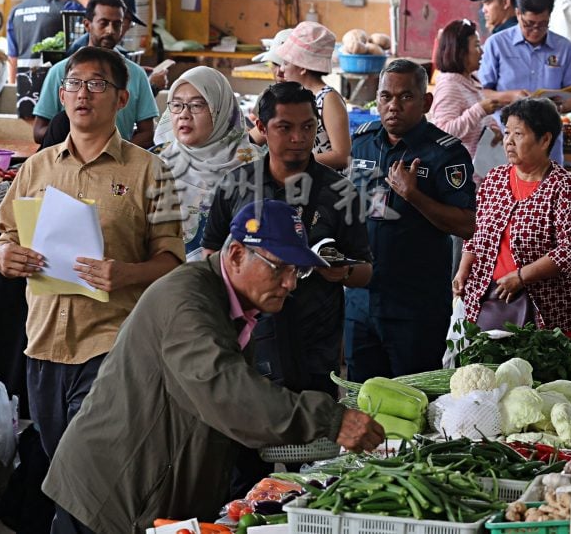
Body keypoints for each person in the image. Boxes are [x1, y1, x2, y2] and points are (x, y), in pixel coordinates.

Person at [42, 199, 385, 534]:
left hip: (151, 493)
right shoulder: (187, 301)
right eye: (280, 268)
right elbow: (226, 390)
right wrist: (329, 419)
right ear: (236, 255)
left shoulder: (234, 303)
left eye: (298, 271)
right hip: (110, 497)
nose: (290, 283)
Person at [0, 46, 185, 462]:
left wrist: (127, 274)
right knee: (57, 465)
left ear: (121, 99)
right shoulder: (36, 168)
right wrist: (4, 256)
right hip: (42, 342)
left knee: (89, 465)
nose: (83, 94)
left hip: (110, 344)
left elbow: (172, 261)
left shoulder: (152, 172)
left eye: (96, 84)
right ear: (61, 95)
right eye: (74, 84)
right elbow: (5, 236)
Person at [202, 81, 373, 394]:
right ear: (262, 127)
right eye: (285, 127)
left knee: (316, 430)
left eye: (308, 127)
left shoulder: (340, 192)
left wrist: (342, 271)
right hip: (249, 339)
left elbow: (365, 270)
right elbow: (211, 253)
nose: (299, 138)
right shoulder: (236, 185)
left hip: (316, 344)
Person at [346, 59, 477, 381]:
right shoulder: (362, 141)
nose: (393, 106)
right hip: (361, 301)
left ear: (426, 102)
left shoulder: (445, 153)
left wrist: (414, 196)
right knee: (359, 400)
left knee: (414, 401)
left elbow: (467, 224)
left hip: (414, 307)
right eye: (386, 96)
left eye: (405, 97)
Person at [454, 98, 571, 335]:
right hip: (489, 300)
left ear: (545, 140)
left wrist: (521, 277)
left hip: (547, 307)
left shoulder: (564, 187)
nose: (508, 141)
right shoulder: (494, 180)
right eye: (507, 132)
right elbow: (475, 233)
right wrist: (463, 269)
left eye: (518, 134)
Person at [153, 66, 261, 259]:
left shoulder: (256, 167)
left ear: (221, 111)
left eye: (196, 105)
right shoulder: (156, 161)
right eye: (176, 105)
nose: (183, 115)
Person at [32, 0, 159, 148]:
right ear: (87, 25)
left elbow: (148, 132)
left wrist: (116, 153)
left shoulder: (137, 75)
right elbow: (38, 132)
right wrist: (75, 143)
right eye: (103, 23)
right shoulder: (60, 72)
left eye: (117, 24)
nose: (110, 30)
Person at [478, 0, 571, 164]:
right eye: (529, 24)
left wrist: (555, 108)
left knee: (546, 190)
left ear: (550, 16)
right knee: (505, 190)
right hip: (505, 141)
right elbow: (482, 93)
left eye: (542, 24)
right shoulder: (496, 44)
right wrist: (511, 96)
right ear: (518, 14)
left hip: (546, 143)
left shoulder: (564, 48)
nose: (535, 31)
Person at [269, 21, 350, 171]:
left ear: (302, 67)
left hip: (322, 186)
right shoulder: (293, 96)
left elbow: (342, 156)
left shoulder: (328, 99)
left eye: (286, 63)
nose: (282, 69)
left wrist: (295, 161)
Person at [429, 18, 503, 159]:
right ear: (460, 52)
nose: (481, 52)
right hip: (460, 174)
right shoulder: (449, 86)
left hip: (479, 169)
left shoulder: (472, 78)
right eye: (476, 46)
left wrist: (493, 127)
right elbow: (442, 133)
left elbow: (480, 119)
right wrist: (479, 110)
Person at [7, 0, 82, 84]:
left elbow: (12, 56)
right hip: (55, 82)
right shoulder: (66, 8)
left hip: (25, 84)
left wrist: (12, 86)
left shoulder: (16, 11)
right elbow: (97, 12)